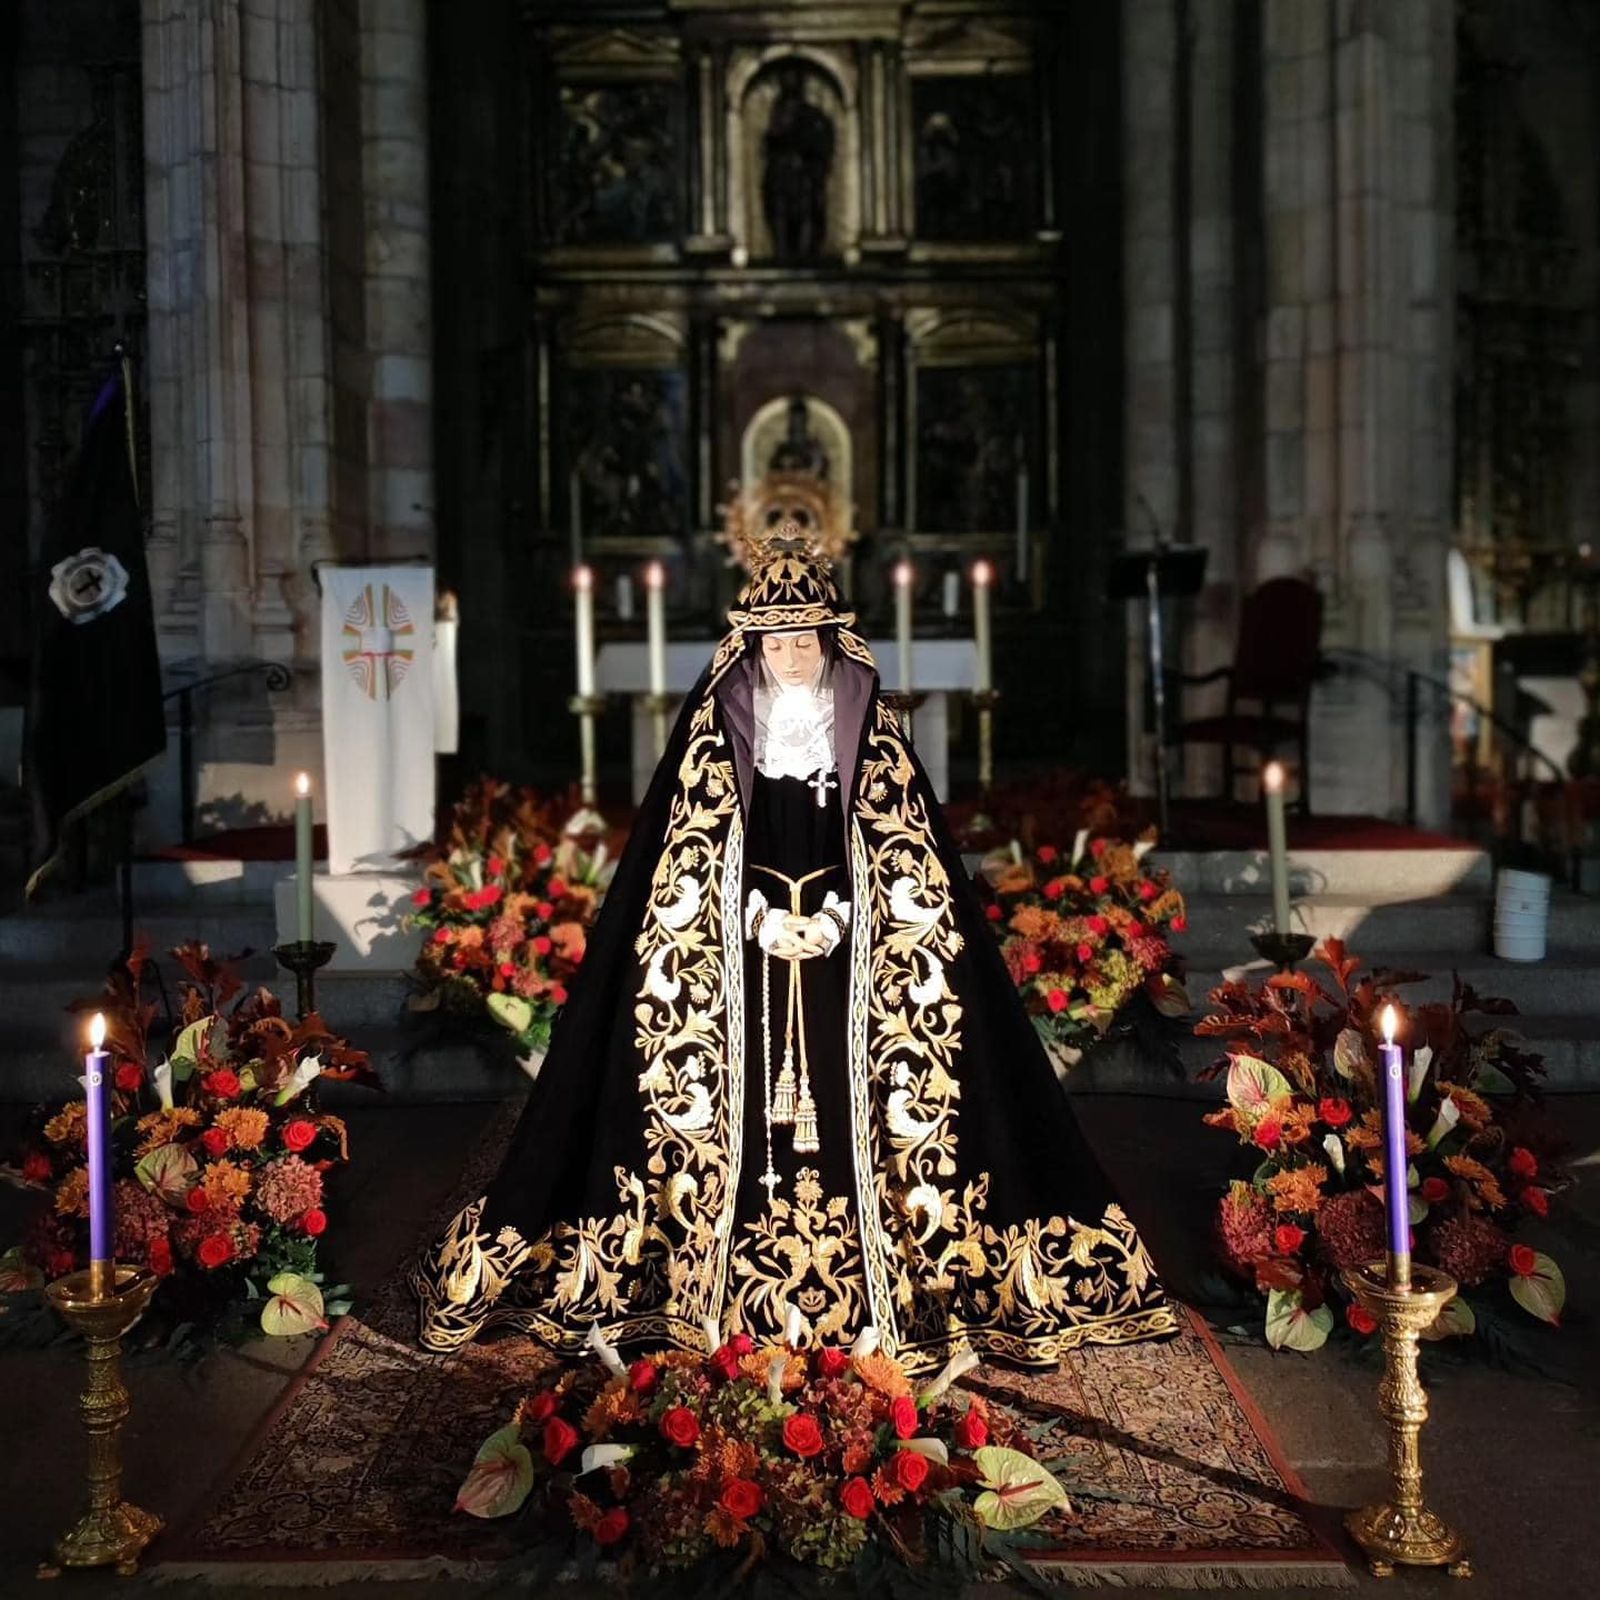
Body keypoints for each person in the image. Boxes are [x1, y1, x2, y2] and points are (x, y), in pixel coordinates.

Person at [412, 528, 1177, 1371]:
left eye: (805, 638)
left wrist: (851, 917)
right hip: (740, 958)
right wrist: (752, 920)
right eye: (776, 640)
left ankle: (904, 1280)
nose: (791, 656)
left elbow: (906, 852)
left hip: (855, 956)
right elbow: (682, 864)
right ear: (751, 645)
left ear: (830, 639)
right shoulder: (713, 738)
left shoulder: (871, 734)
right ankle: (697, 1283)